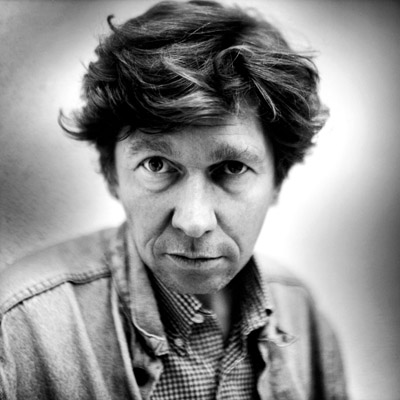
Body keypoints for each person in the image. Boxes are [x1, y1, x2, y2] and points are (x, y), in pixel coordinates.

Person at [0, 1, 347, 399]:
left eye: (232, 168)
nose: (194, 221)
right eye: (157, 165)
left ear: (277, 180)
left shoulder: (299, 311)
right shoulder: (18, 327)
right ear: (113, 174)